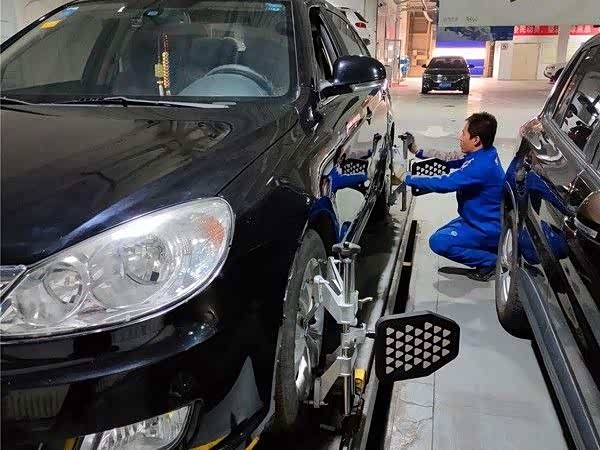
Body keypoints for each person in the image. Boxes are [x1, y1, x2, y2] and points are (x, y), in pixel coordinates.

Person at [398, 112, 505, 281]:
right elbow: (449, 158)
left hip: (485, 226)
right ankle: (489, 247)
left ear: (476, 140)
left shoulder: (481, 167)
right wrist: (417, 151)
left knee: (439, 242)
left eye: (464, 133)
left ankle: (492, 262)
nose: (460, 137)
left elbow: (445, 183)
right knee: (443, 233)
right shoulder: (485, 153)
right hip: (479, 219)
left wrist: (407, 178)